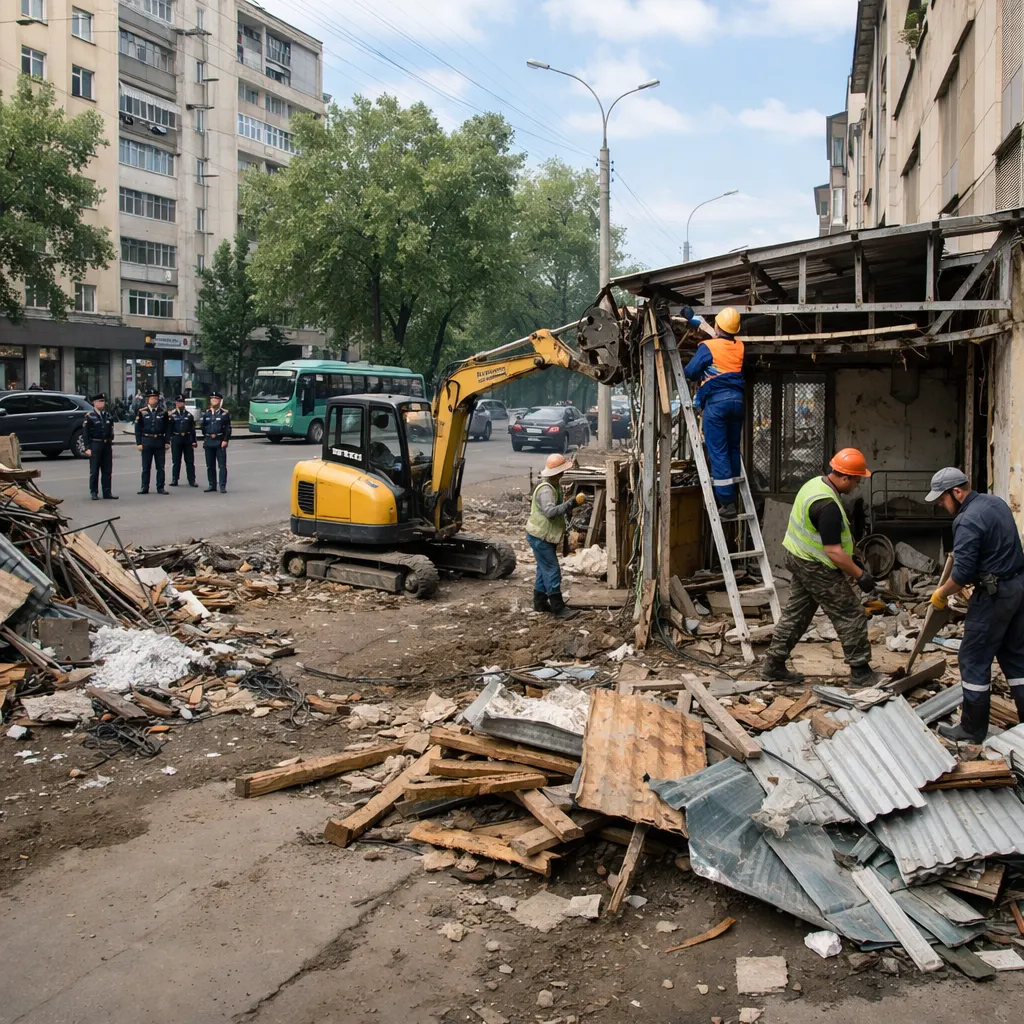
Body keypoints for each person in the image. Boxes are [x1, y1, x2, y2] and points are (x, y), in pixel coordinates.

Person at [762, 448, 881, 685]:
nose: (857, 485)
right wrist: (860, 575)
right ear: (845, 477)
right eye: (856, 479)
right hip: (814, 564)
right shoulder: (828, 506)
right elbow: (833, 550)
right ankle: (860, 672)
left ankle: (773, 665)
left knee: (797, 613)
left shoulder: (815, 484)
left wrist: (851, 559)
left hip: (798, 556)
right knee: (850, 612)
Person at [925, 468, 1024, 741]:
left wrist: (942, 593)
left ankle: (971, 729)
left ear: (957, 492)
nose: (941, 506)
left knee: (973, 658)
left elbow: (963, 573)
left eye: (942, 500)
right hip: (1017, 588)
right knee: (1015, 655)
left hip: (993, 595)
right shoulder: (996, 503)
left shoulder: (966, 520)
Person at [679, 305, 745, 519]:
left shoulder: (708, 347)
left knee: (718, 451)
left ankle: (727, 503)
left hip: (717, 404)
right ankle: (735, 491)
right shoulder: (739, 346)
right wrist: (695, 321)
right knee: (733, 447)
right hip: (737, 402)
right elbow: (719, 337)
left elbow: (690, 372)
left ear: (717, 325)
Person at [526, 452, 586, 619]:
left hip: (541, 536)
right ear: (558, 472)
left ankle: (540, 602)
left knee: (542, 568)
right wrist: (571, 503)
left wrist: (568, 505)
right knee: (552, 570)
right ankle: (558, 608)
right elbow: (550, 512)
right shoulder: (546, 490)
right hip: (541, 536)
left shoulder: (553, 486)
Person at [82, 393, 118, 501]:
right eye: (100, 401)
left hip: (106, 445)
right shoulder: (90, 416)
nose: (103, 403)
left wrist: (111, 438)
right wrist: (87, 447)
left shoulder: (107, 415)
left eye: (103, 401)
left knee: (107, 469)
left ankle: (107, 491)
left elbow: (111, 428)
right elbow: (85, 433)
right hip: (95, 444)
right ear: (95, 403)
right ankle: (94, 492)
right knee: (94, 470)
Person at [134, 389, 170, 495]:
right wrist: (139, 443)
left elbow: (167, 428)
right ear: (148, 399)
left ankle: (160, 487)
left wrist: (167, 441)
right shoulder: (142, 412)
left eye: (155, 397)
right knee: (146, 467)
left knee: (160, 467)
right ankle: (144, 486)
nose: (154, 399)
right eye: (151, 397)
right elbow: (138, 429)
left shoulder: (163, 412)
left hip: (159, 441)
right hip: (147, 441)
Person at [201, 392, 232, 493]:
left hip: (219, 441)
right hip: (209, 441)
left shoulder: (224, 414)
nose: (213, 401)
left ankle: (222, 486)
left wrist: (225, 440)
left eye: (216, 399)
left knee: (222, 465)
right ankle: (212, 485)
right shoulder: (206, 413)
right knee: (210, 465)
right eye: (212, 399)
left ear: (219, 401)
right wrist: (207, 436)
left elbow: (228, 428)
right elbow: (203, 427)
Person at [168, 394, 198, 487]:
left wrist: (194, 441)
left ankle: (192, 480)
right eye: (178, 402)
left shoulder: (189, 415)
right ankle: (174, 479)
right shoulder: (172, 415)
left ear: (184, 403)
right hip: (176, 439)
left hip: (187, 439)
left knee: (189, 461)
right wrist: (168, 440)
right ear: (176, 403)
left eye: (181, 402)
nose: (180, 404)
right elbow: (169, 429)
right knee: (176, 461)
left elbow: (192, 429)